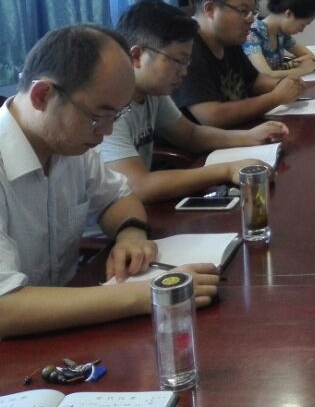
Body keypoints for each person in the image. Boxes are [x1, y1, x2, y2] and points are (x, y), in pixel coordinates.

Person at [0, 25, 219, 338]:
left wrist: (131, 234)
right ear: (42, 95)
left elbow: (120, 196)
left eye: (115, 116)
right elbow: (5, 308)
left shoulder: (69, 145)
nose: (106, 132)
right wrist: (149, 294)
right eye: (97, 116)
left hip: (64, 328)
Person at [103, 0, 289, 204]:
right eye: (177, 60)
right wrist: (227, 170)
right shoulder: (107, 107)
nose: (184, 72)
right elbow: (140, 187)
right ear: (137, 56)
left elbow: (190, 135)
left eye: (187, 61)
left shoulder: (152, 93)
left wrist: (249, 137)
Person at [172, 0, 307, 127]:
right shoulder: (186, 47)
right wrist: (276, 97)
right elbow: (212, 116)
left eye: (252, 12)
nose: (251, 19)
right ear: (210, 9)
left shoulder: (229, 38)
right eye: (243, 11)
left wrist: (286, 85)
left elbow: (253, 81)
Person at [244, 0, 315, 79]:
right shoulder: (252, 33)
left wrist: (287, 66)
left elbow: (310, 56)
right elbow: (267, 75)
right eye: (302, 25)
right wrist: (302, 70)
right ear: (288, 14)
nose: (302, 30)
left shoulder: (282, 34)